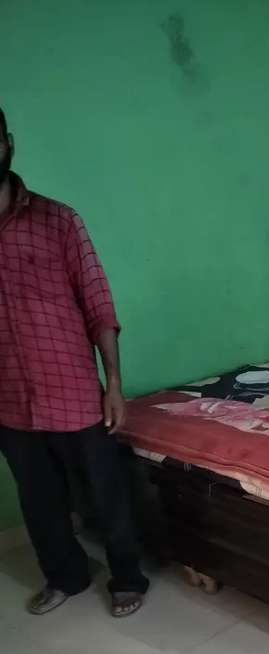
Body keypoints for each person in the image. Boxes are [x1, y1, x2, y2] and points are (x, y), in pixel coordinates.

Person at [0, 106, 148, 616]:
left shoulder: (57, 220)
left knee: (105, 492)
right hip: (8, 396)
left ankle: (127, 577)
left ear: (8, 143)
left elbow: (98, 305)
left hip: (71, 389)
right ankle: (66, 575)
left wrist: (114, 384)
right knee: (37, 498)